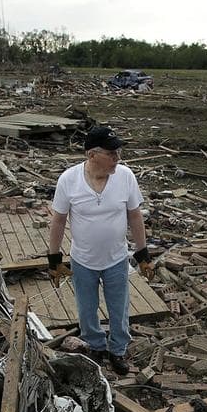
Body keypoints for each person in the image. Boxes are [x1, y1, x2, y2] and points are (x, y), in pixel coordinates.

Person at [47, 126, 154, 375]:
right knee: (86, 310)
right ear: (92, 154)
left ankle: (117, 350)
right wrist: (54, 259)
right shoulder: (69, 180)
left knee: (119, 309)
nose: (117, 158)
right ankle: (96, 346)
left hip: (116, 259)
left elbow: (135, 217)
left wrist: (143, 255)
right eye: (111, 153)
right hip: (83, 260)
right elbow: (59, 220)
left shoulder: (125, 176)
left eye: (118, 152)